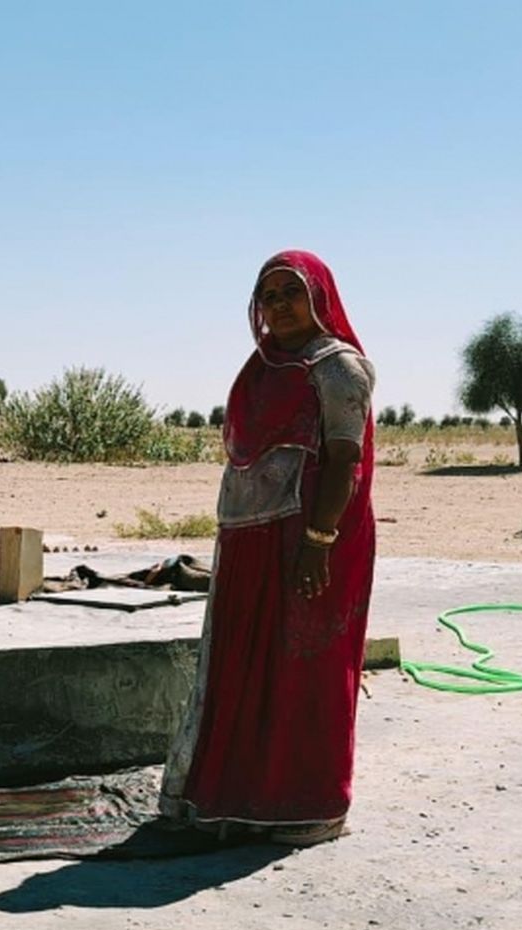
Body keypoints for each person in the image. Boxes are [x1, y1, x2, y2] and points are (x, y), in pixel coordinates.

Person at [161, 250, 376, 846]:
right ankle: (240, 799)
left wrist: (319, 541)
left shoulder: (337, 368)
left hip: (308, 538)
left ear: (320, 297)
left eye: (291, 292)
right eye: (269, 296)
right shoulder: (262, 368)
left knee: (305, 670)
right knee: (243, 669)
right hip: (249, 537)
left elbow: (345, 460)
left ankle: (308, 806)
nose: (279, 306)